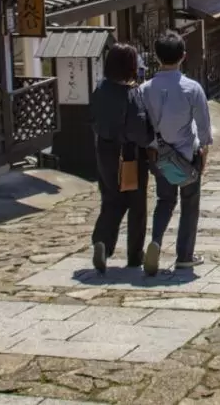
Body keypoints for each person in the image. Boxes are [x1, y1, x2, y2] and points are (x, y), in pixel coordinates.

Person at [138, 31, 212, 275]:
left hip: (158, 156)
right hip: (187, 155)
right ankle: (184, 256)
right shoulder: (192, 88)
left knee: (164, 201)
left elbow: (142, 124)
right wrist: (204, 151)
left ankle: (156, 241)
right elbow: (203, 126)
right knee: (189, 204)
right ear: (183, 56)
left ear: (157, 57)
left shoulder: (144, 89)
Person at [89, 43, 152, 273]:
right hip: (130, 156)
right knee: (137, 205)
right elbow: (139, 131)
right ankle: (135, 255)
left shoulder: (100, 89)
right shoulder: (131, 94)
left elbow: (93, 119)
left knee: (111, 200)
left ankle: (102, 244)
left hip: (104, 152)